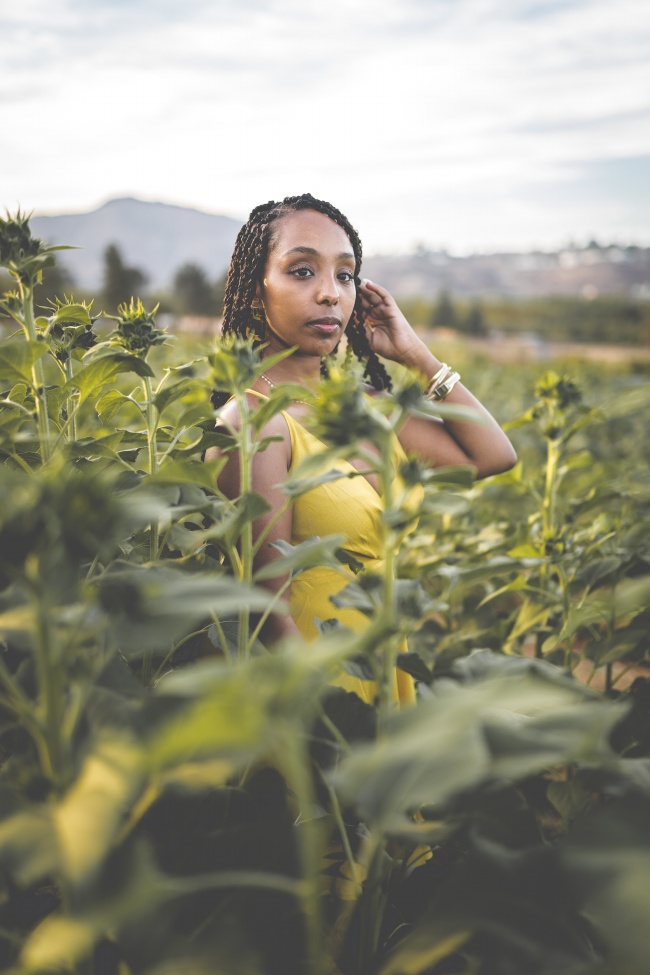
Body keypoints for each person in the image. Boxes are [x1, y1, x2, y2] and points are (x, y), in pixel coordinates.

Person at [206, 194, 516, 704]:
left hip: (380, 667)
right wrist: (329, 726)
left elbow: (492, 456)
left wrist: (417, 355)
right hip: (310, 693)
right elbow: (266, 607)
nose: (330, 294)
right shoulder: (255, 422)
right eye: (302, 271)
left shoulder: (368, 407)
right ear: (255, 289)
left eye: (345, 276)